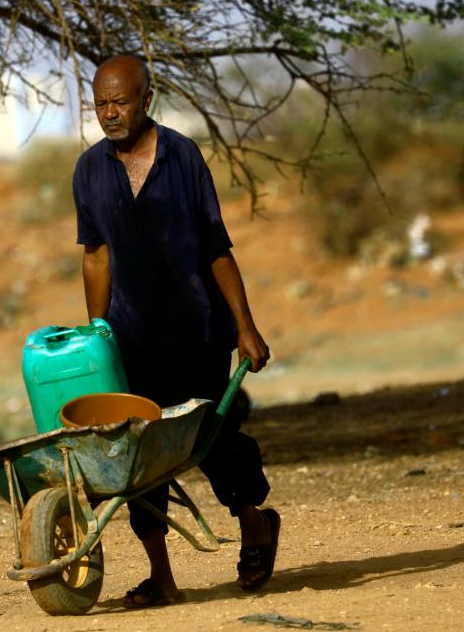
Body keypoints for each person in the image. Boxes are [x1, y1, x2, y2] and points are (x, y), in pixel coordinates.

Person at [72, 54, 279, 607]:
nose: (110, 113)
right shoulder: (89, 170)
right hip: (131, 337)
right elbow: (96, 256)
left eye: (120, 101)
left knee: (206, 435)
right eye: (100, 104)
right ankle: (162, 576)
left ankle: (255, 522)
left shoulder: (182, 157)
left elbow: (216, 247)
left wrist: (245, 327)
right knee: (136, 454)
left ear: (146, 100)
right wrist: (98, 334)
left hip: (196, 329)